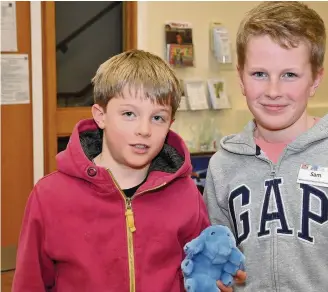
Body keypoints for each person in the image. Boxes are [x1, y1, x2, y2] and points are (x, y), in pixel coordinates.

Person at [203, 1, 328, 291]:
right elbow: (219, 262)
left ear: (316, 79)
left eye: (290, 75)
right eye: (259, 74)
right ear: (241, 77)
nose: (273, 91)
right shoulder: (223, 166)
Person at [12, 49, 231, 292]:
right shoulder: (49, 196)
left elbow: (199, 273)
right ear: (101, 116)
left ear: (170, 124)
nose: (144, 129)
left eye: (158, 118)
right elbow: (29, 282)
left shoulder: (186, 193)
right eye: (129, 114)